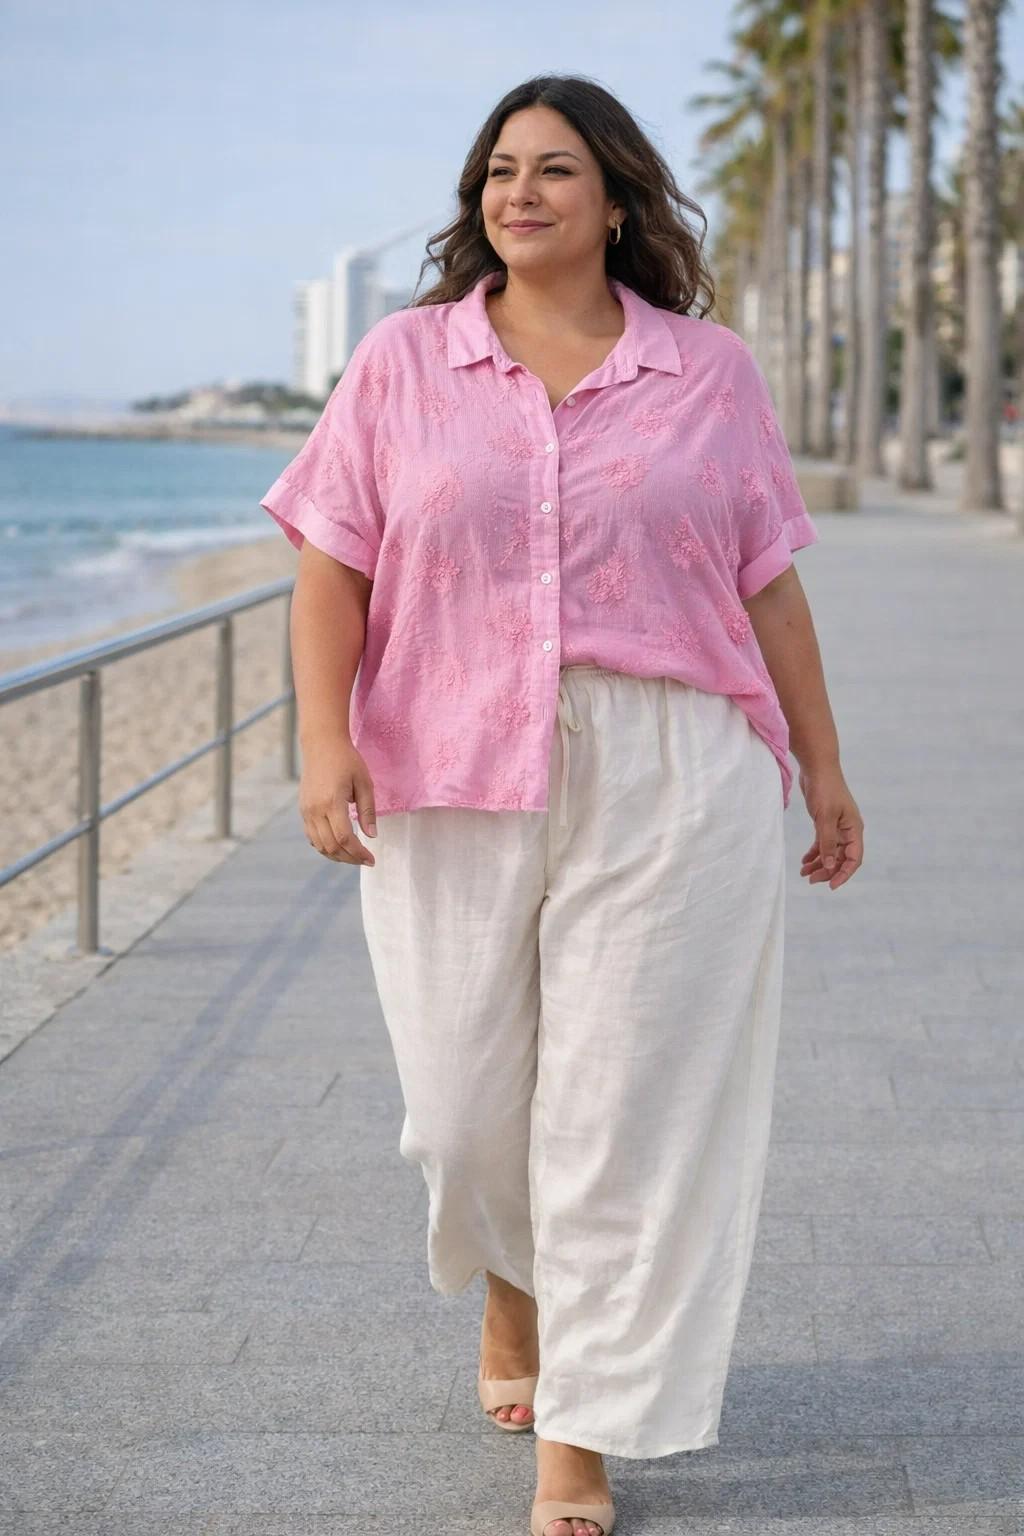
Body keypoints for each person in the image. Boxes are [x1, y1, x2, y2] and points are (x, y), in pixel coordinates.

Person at [259, 72, 864, 1536]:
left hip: (672, 769)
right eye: (500, 171)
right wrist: (324, 746)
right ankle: (514, 1289)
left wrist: (824, 766)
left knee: (619, 1113)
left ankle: (579, 1437)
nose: (518, 193)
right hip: (447, 758)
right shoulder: (405, 362)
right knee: (463, 1109)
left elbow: (769, 583)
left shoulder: (707, 371)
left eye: (554, 170)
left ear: (615, 200)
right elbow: (333, 565)